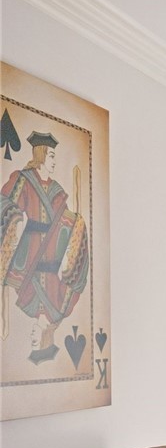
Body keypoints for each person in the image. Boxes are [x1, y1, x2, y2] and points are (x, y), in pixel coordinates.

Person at [0, 131, 88, 348]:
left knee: (53, 292)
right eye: (51, 156)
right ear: (40, 156)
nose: (54, 161)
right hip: (28, 255)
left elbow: (65, 219)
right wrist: (16, 218)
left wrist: (78, 223)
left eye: (55, 157)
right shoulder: (23, 179)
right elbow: (5, 202)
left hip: (51, 258)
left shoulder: (58, 191)